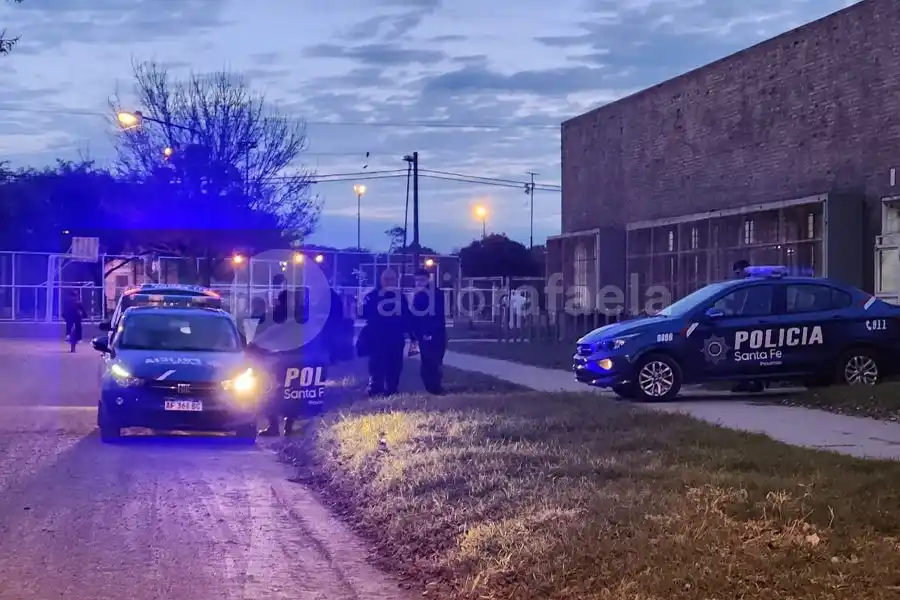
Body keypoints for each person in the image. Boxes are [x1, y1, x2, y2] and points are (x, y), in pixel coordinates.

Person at [361, 268, 412, 397]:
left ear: (396, 280)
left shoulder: (400, 297)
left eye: (392, 279)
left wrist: (409, 332)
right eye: (386, 279)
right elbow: (366, 314)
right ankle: (375, 386)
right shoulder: (372, 296)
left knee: (395, 363)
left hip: (395, 336)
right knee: (375, 362)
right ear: (381, 280)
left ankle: (392, 388)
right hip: (377, 335)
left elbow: (407, 316)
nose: (389, 282)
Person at [411, 269, 446, 394]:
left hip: (432, 333)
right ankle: (432, 387)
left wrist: (427, 332)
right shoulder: (422, 294)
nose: (419, 283)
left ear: (428, 279)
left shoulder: (431, 294)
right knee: (429, 361)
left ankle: (434, 387)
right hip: (428, 333)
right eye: (417, 280)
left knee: (431, 361)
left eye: (422, 280)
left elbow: (433, 315)